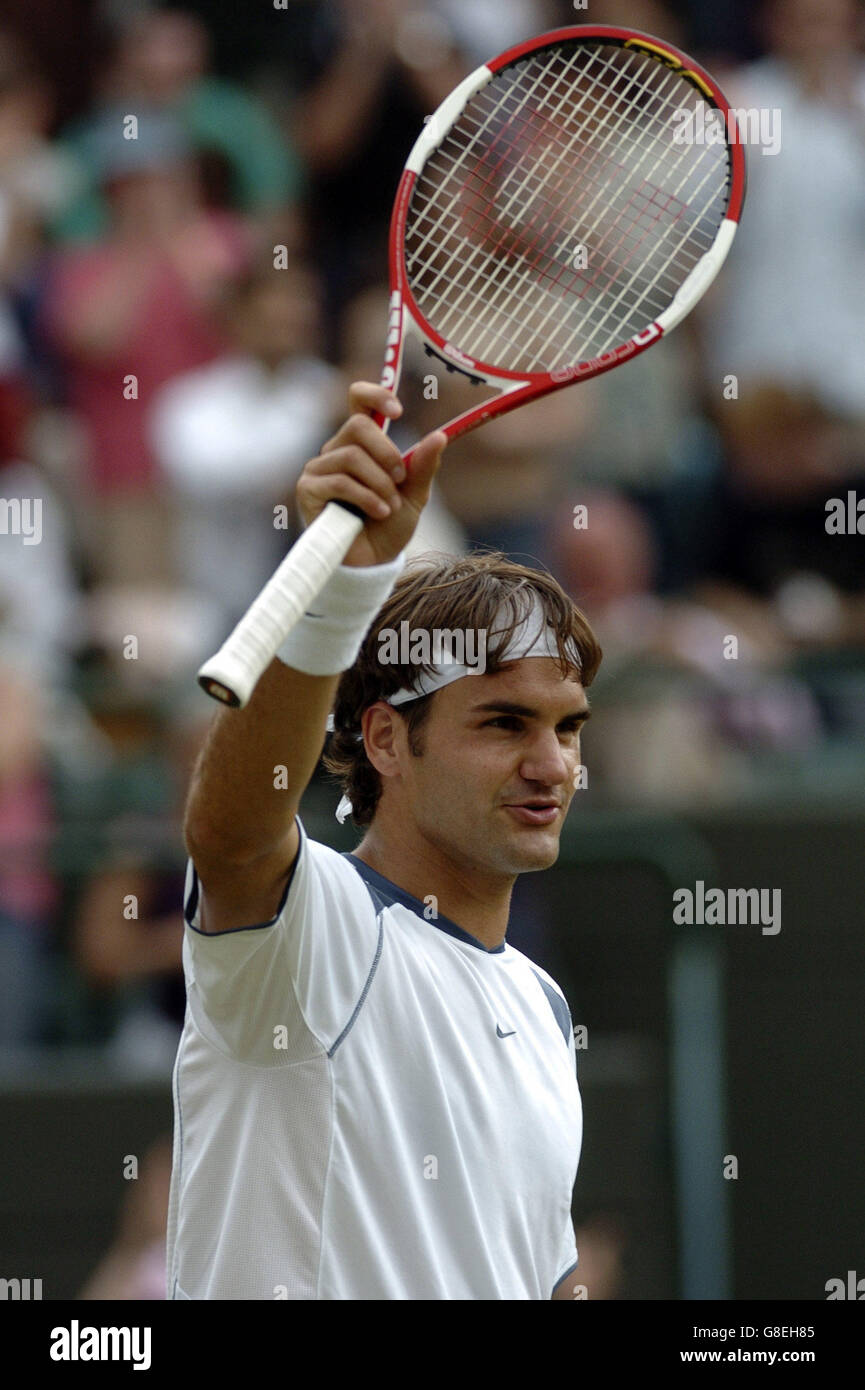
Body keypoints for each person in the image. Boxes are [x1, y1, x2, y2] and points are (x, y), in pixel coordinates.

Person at [168, 382, 602, 1300]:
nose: (549, 766)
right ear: (383, 740)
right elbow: (232, 835)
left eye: (565, 729)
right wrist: (345, 585)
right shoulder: (317, 932)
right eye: (502, 724)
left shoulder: (543, 1005)